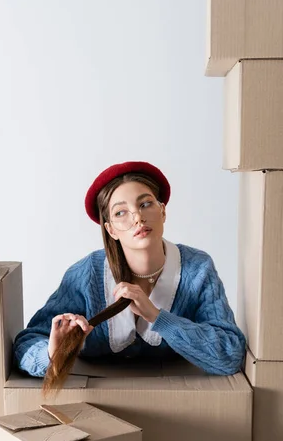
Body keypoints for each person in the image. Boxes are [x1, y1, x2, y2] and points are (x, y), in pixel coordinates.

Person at [13, 161, 246, 378]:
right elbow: (26, 344)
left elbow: (230, 355)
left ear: (163, 211)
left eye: (145, 204)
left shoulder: (198, 269)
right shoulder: (87, 274)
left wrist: (156, 316)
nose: (138, 217)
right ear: (111, 229)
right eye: (120, 212)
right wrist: (53, 353)